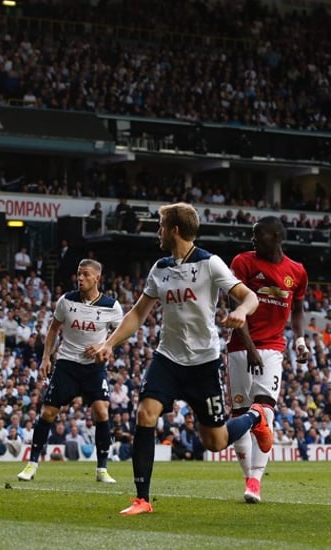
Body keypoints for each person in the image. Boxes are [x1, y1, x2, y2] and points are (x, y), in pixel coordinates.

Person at [85, 203, 270, 516]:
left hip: (204, 363)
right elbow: (138, 314)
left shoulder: (210, 263)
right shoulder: (160, 268)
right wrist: (109, 342)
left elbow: (249, 296)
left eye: (160, 226)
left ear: (174, 230)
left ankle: (255, 416)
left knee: (215, 441)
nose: (157, 232)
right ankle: (142, 499)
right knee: (145, 413)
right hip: (167, 359)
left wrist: (240, 311)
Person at [17, 259, 123, 484]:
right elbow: (53, 329)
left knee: (101, 411)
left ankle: (102, 468)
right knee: (48, 413)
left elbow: (121, 334)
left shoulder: (112, 306)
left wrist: (105, 346)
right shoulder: (66, 301)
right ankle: (32, 464)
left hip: (94, 367)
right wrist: (46, 357)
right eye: (78, 274)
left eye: (85, 274)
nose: (80, 278)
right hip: (67, 364)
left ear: (97, 278)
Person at [227, 216, 309, 503]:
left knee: (266, 410)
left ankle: (255, 482)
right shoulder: (242, 262)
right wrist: (250, 348)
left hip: (273, 348)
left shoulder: (297, 271)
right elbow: (236, 307)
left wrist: (300, 340)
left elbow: (298, 310)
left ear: (275, 237)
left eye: (257, 234)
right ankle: (247, 476)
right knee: (240, 415)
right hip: (240, 347)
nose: (252, 239)